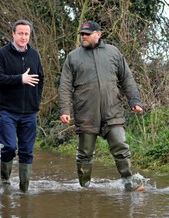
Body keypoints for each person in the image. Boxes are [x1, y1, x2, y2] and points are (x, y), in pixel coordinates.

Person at [58, 21, 145, 191]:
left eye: (87, 34)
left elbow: (126, 78)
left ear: (98, 34)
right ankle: (85, 188)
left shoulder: (113, 52)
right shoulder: (73, 57)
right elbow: (65, 86)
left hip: (112, 110)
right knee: (85, 154)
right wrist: (64, 110)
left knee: (121, 146)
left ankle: (129, 183)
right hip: (86, 112)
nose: (83, 36)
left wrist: (134, 100)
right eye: (82, 33)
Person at [0, 19, 44, 193]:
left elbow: (40, 79)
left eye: (26, 34)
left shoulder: (34, 55)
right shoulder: (1, 54)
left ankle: (24, 190)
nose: (23, 37)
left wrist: (36, 100)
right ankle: (5, 181)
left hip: (29, 111)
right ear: (13, 34)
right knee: (9, 147)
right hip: (6, 110)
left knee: (27, 151)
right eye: (20, 33)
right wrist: (20, 79)